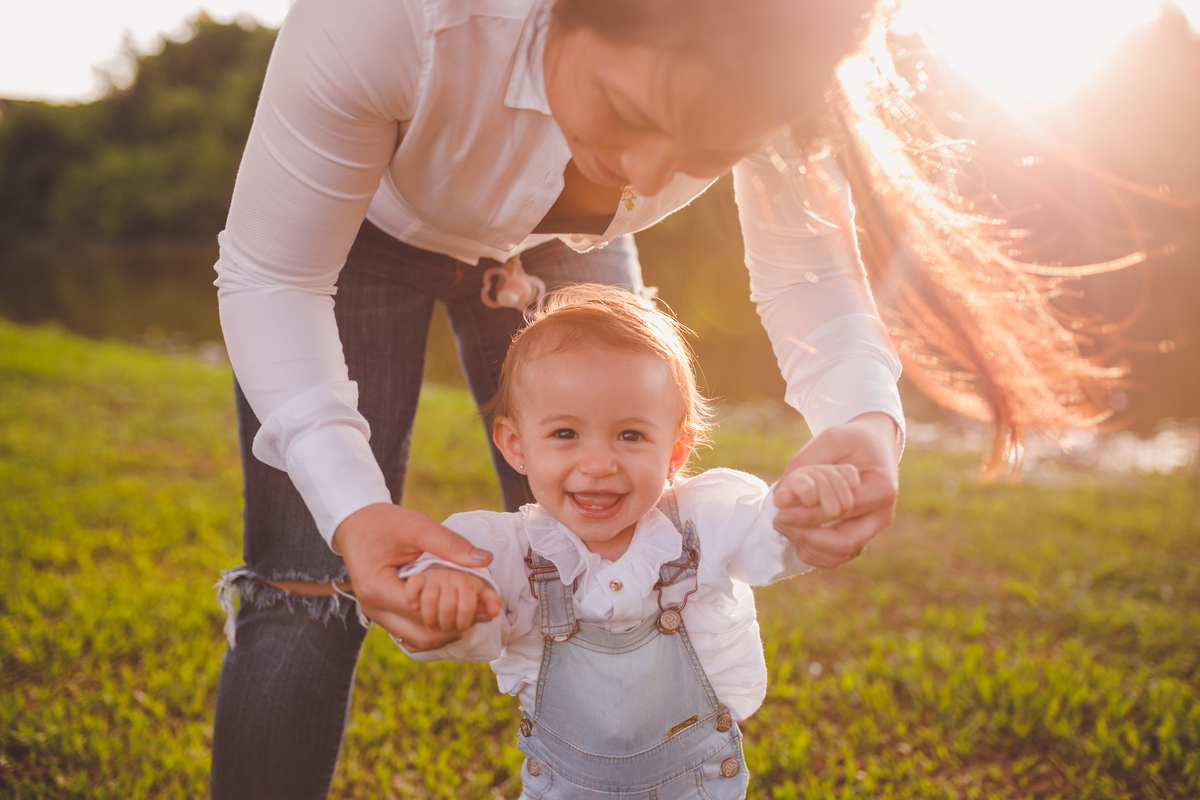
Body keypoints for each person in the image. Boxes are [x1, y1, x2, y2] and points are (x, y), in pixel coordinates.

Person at [210, 0, 909, 796]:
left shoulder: (779, 58)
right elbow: (273, 276)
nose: (649, 176)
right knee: (309, 584)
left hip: (564, 246)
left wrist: (861, 422)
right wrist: (350, 508)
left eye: (705, 150)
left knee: (629, 543)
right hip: (360, 237)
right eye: (630, 112)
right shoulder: (390, 18)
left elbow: (812, 273)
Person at [397, 285, 861, 799]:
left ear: (676, 450)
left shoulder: (701, 521)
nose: (598, 465)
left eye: (631, 435)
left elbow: (762, 528)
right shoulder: (506, 550)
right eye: (566, 434)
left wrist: (803, 513)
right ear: (515, 445)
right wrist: (444, 592)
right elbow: (453, 583)